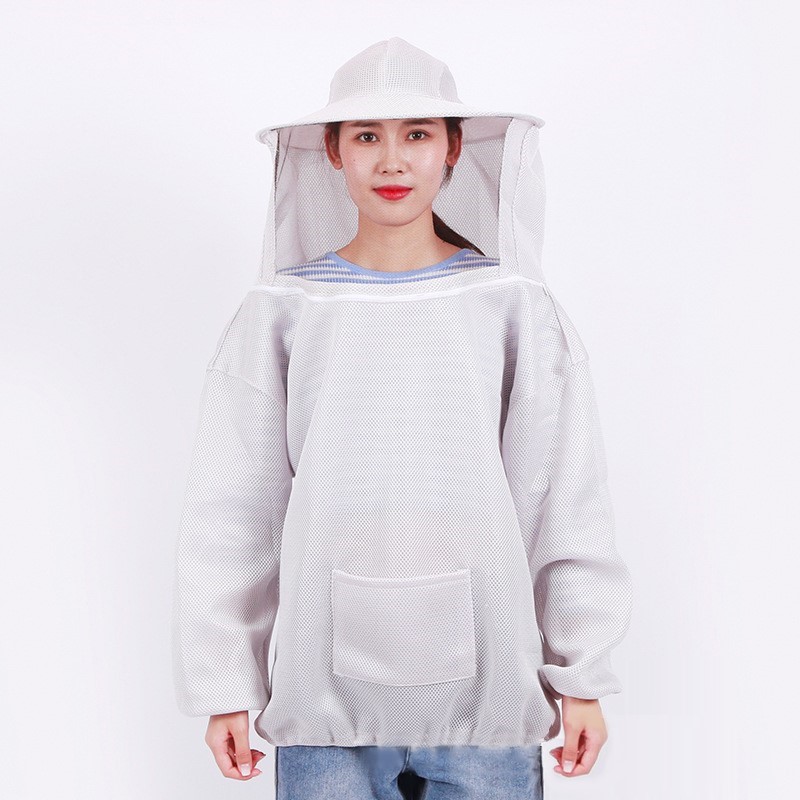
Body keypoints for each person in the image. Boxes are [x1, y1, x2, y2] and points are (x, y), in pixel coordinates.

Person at [171, 37, 634, 799]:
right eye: (366, 136)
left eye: (416, 133)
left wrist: (581, 674)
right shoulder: (284, 310)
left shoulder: (511, 305)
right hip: (323, 707)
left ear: (453, 148)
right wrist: (225, 682)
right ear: (333, 151)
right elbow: (233, 509)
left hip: (490, 704)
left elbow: (562, 496)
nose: (392, 161)